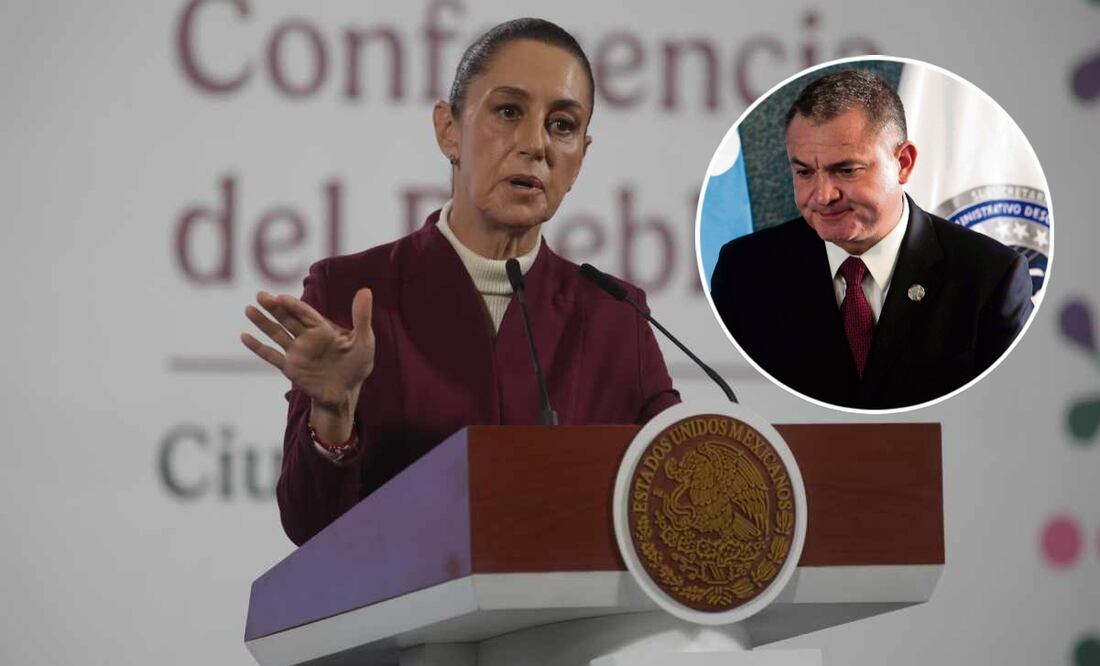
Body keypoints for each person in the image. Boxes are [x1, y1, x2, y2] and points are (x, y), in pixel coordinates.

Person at [241, 18, 680, 546]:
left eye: (562, 125)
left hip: (561, 625)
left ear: (580, 157)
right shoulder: (354, 293)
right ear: (449, 130)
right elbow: (309, 527)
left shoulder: (616, 317)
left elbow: (677, 495)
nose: (536, 144)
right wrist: (334, 414)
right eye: (509, 111)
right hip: (406, 624)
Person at [710, 69, 1033, 410]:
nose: (822, 195)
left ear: (903, 164)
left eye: (846, 170)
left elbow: (1006, 415)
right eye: (804, 172)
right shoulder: (744, 271)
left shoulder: (991, 276)